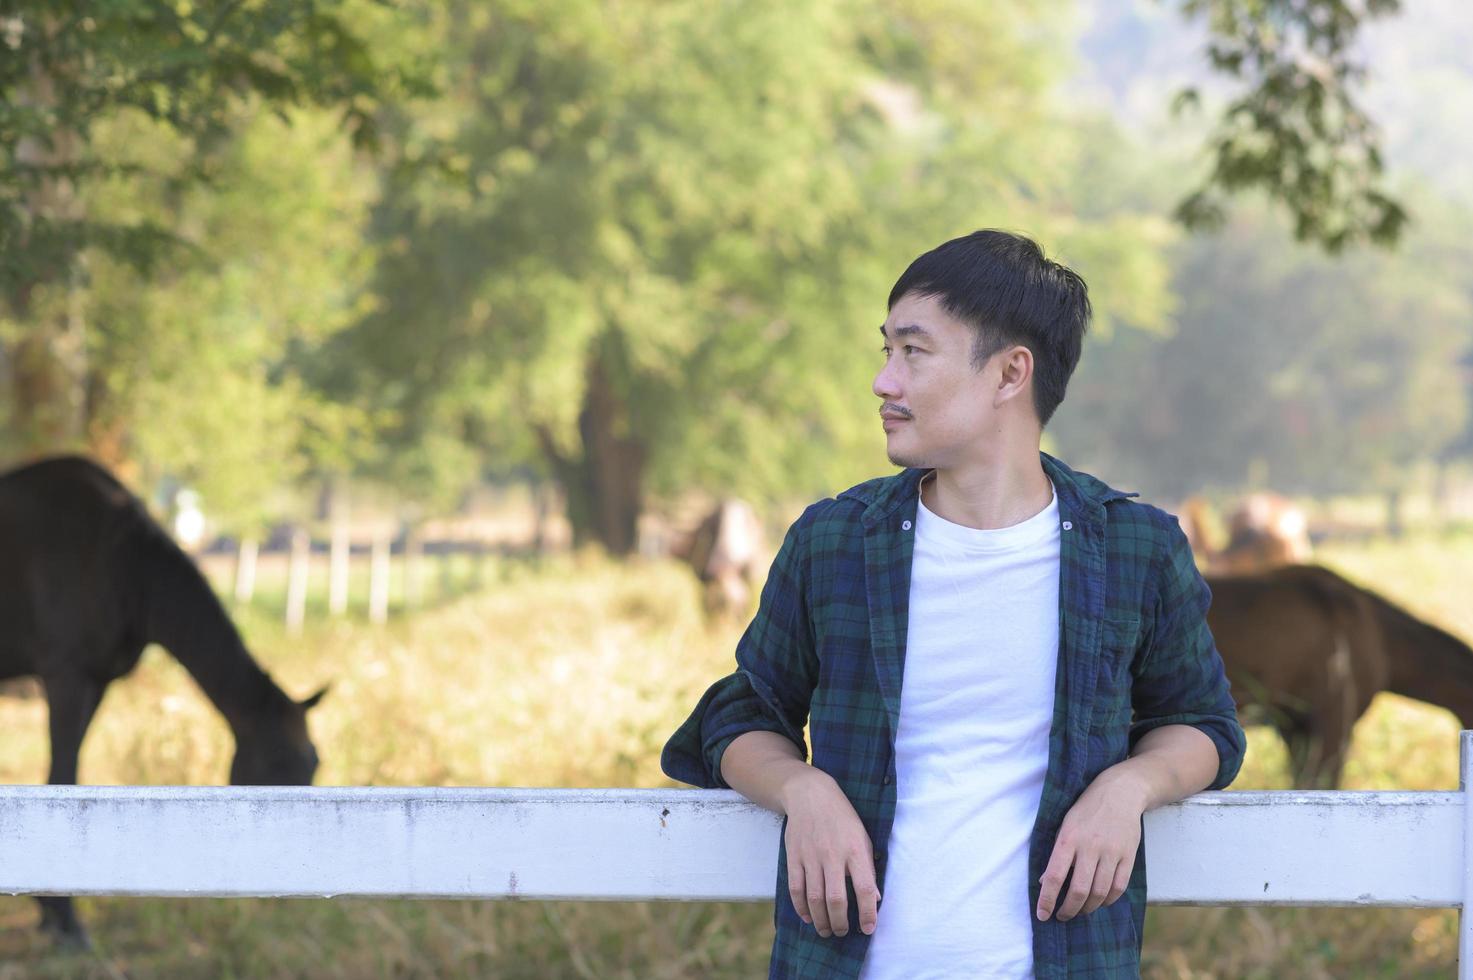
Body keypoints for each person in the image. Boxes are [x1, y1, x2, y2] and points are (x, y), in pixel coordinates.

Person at [661, 229, 1246, 979]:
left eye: (912, 351)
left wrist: (1129, 786)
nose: (883, 382)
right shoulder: (835, 540)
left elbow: (1200, 724)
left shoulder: (1135, 549)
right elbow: (740, 716)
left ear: (1009, 374)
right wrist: (801, 789)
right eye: (886, 351)